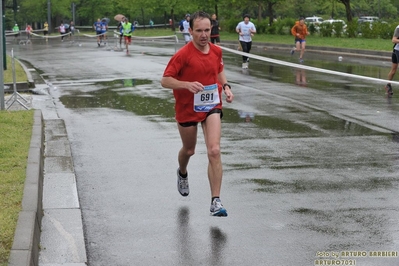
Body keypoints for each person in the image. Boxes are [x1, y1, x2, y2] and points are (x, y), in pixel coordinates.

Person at [161, 11, 234, 217]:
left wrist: (226, 86)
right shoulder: (182, 55)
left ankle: (215, 201)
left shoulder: (216, 51)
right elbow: (165, 80)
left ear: (212, 29)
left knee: (214, 150)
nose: (204, 35)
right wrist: (186, 84)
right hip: (187, 108)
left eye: (207, 30)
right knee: (189, 150)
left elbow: (219, 69)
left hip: (212, 104)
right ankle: (182, 172)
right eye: (199, 31)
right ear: (190, 31)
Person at [385, 26, 399, 96]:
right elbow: (393, 40)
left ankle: (388, 85)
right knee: (393, 70)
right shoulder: (398, 28)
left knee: (393, 70)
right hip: (397, 50)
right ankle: (388, 85)